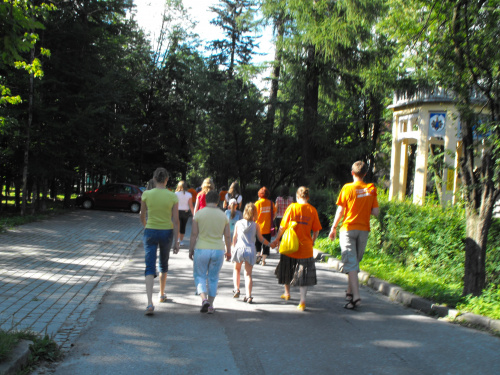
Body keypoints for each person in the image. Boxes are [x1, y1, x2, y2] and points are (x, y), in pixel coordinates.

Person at [328, 161, 379, 309]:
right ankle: (350, 293)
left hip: (348, 229)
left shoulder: (347, 188)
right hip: (364, 230)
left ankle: (356, 297)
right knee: (355, 262)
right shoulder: (371, 189)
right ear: (365, 174)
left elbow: (340, 211)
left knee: (350, 263)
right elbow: (375, 212)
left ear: (352, 173)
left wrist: (333, 227)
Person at [270, 186, 322, 311]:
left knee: (287, 269)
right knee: (303, 275)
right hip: (305, 248)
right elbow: (316, 231)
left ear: (297, 196)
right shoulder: (312, 210)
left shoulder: (292, 208)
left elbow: (282, 227)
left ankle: (287, 293)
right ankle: (302, 301)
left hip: (290, 246)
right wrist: (313, 241)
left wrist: (277, 240)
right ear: (308, 197)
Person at [140, 168, 180, 315]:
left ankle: (149, 303)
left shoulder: (146, 194)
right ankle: (161, 294)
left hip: (150, 230)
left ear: (154, 179)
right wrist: (177, 241)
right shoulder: (172, 196)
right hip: (166, 232)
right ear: (167, 179)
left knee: (149, 266)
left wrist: (147, 226)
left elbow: (142, 215)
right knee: (163, 263)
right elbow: (176, 221)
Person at [189, 190, 231, 314]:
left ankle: (203, 299)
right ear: (218, 201)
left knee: (200, 275)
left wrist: (191, 249)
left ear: (206, 200)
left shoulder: (199, 214)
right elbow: (227, 236)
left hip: (202, 249)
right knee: (213, 278)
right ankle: (211, 305)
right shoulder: (224, 216)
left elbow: (193, 234)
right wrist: (228, 251)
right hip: (218, 250)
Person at [231, 203, 270, 303]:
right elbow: (260, 239)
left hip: (239, 249)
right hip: (250, 250)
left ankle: (236, 289)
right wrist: (270, 244)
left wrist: (232, 248)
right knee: (248, 274)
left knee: (237, 269)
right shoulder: (256, 225)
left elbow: (234, 238)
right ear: (255, 213)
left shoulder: (238, 223)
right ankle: (248, 296)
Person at [254, 187, 275, 266]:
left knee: (258, 243)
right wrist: (271, 219)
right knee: (266, 244)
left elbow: (254, 215)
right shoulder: (270, 203)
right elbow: (274, 213)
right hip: (268, 227)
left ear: (259, 194)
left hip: (258, 227)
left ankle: (258, 255)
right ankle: (263, 260)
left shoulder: (257, 203)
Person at [175, 180, 194, 247]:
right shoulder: (189, 194)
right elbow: (191, 205)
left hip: (177, 211)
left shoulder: (176, 194)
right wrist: (194, 214)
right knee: (183, 227)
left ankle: (177, 240)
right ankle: (181, 241)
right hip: (185, 212)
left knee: (178, 226)